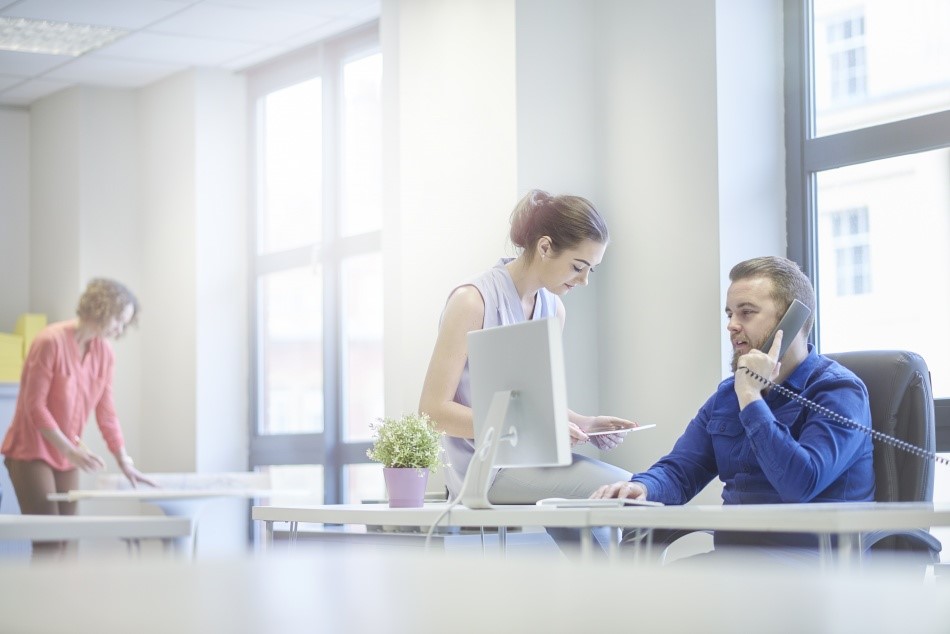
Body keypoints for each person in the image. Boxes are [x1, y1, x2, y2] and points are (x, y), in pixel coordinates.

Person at [593, 255, 875, 557]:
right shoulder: (730, 394)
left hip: (814, 568)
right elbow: (680, 470)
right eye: (729, 314)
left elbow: (800, 484)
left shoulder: (838, 391)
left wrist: (752, 398)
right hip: (737, 565)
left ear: (791, 321)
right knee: (634, 595)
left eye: (746, 313)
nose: (731, 325)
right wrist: (644, 488)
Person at [419, 189, 636, 509]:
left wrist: (584, 424)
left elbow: (530, 402)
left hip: (531, 460)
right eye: (578, 266)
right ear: (545, 247)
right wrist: (539, 428)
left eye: (592, 269)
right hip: (483, 471)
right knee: (626, 489)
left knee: (595, 513)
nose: (584, 280)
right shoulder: (472, 301)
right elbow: (433, 412)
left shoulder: (553, 310)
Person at [2, 278, 157, 558]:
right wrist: (69, 450)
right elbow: (34, 406)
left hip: (66, 454)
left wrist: (125, 462)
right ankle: (42, 602)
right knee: (49, 543)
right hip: (31, 451)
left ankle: (64, 602)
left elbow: (106, 411)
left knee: (68, 541)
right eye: (119, 321)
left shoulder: (105, 353)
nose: (120, 330)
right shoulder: (50, 342)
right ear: (102, 308)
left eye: (125, 324)